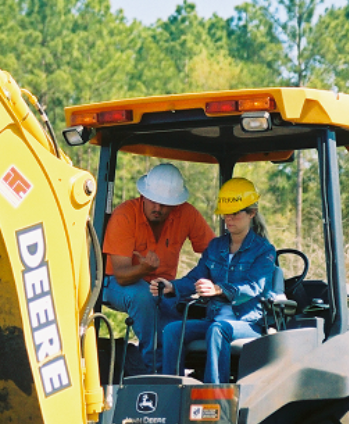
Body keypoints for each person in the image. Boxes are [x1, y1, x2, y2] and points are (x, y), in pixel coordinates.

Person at [151, 178, 276, 384]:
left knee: (217, 330)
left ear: (251, 214)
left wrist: (218, 289)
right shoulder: (216, 246)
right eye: (226, 214)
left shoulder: (264, 250)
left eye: (235, 213)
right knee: (173, 330)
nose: (229, 219)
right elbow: (195, 277)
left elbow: (254, 287)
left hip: (249, 323)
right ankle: (171, 390)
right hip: (214, 319)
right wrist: (172, 286)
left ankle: (214, 394)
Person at [102, 163, 215, 373]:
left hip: (162, 288)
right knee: (142, 296)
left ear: (176, 203)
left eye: (165, 204)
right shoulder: (125, 215)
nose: (158, 208)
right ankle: (154, 369)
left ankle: (182, 373)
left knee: (189, 308)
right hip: (117, 284)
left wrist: (197, 283)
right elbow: (122, 275)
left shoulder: (186, 214)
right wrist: (144, 269)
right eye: (154, 201)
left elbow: (215, 253)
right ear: (143, 195)